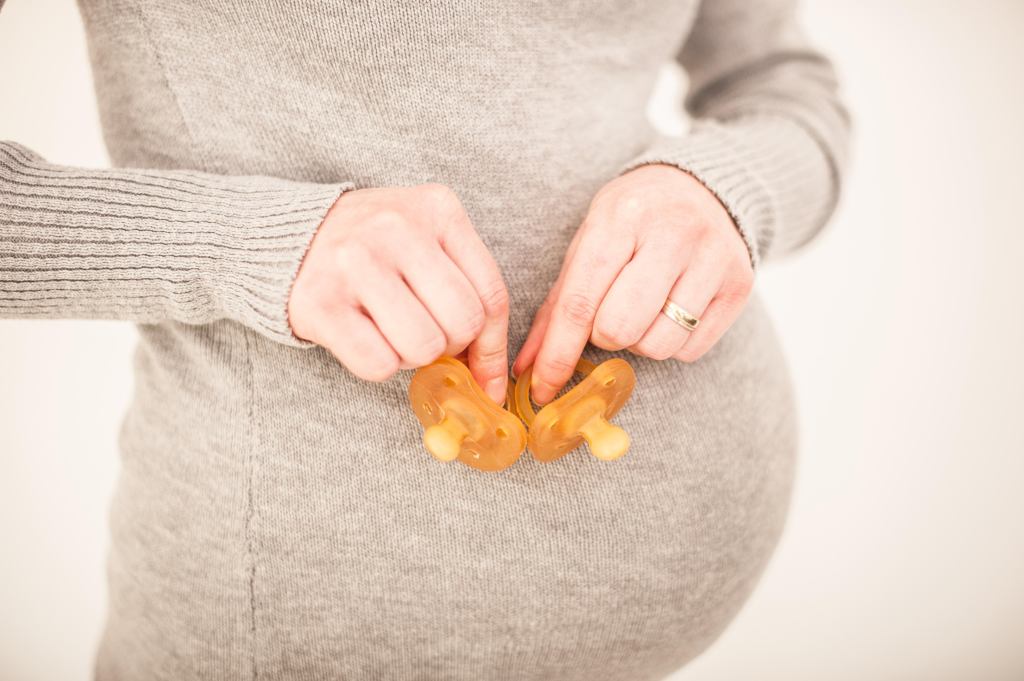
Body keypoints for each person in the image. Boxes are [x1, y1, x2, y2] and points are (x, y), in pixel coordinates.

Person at [0, 1, 848, 679]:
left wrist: (727, 193)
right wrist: (261, 243)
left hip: (688, 576)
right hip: (284, 625)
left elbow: (783, 85)